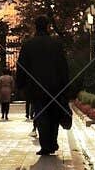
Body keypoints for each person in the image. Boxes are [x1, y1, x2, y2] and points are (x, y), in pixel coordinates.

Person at [17, 16, 70, 157]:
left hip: (36, 87)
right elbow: (63, 67)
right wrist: (66, 85)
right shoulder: (56, 44)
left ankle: (46, 144)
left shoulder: (28, 45)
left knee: (41, 114)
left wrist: (20, 85)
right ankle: (52, 142)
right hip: (55, 87)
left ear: (35, 27)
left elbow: (21, 67)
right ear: (48, 27)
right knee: (54, 114)